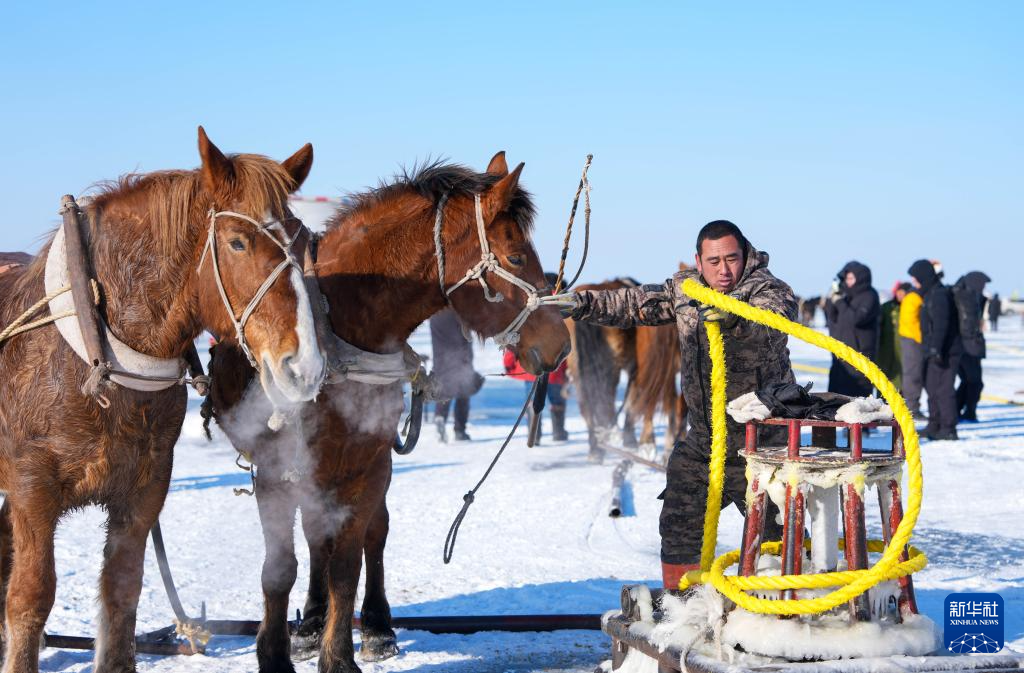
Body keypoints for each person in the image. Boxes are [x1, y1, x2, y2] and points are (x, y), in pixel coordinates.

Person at [565, 220, 795, 590]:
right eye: (714, 261)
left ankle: (779, 604)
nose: (723, 270)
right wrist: (579, 304)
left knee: (776, 537)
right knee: (678, 522)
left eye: (731, 259)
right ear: (699, 261)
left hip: (762, 446)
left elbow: (773, 318)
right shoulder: (686, 290)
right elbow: (632, 303)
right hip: (704, 442)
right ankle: (682, 602)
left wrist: (734, 317)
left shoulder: (767, 289)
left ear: (746, 255)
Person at [908, 259, 962, 441]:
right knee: (932, 388)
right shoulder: (930, 294)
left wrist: (935, 349)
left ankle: (948, 428)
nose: (914, 282)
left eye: (915, 278)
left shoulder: (939, 295)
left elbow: (941, 325)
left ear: (923, 276)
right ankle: (934, 424)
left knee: (944, 390)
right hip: (933, 351)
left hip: (946, 352)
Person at [823, 261, 880, 398]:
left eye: (851, 278)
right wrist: (832, 298)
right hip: (840, 357)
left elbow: (855, 319)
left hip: (858, 359)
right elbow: (832, 317)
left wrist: (839, 302)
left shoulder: (869, 296)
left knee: (857, 401)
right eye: (846, 279)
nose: (847, 282)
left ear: (860, 278)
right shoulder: (846, 296)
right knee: (835, 398)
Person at [429, 307, 484, 442]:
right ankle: (460, 430)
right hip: (461, 359)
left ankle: (440, 416)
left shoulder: (434, 313)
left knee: (444, 389)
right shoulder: (460, 311)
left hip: (440, 359)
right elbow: (466, 337)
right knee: (464, 392)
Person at [503, 349, 569, 443]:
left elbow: (513, 345)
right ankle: (559, 433)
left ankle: (533, 436)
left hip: (532, 370)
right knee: (557, 402)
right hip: (555, 370)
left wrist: (508, 364)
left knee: (533, 403)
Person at [953, 271, 991, 422]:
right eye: (983, 285)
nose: (984, 288)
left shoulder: (971, 296)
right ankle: (967, 411)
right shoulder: (965, 298)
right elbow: (968, 326)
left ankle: (960, 409)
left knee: (969, 381)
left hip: (969, 346)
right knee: (974, 382)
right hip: (967, 347)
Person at [898, 284, 926, 420]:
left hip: (911, 339)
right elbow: (911, 322)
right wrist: (922, 338)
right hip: (913, 339)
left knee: (912, 374)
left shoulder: (912, 297)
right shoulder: (914, 298)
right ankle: (912, 408)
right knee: (913, 374)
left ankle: (912, 407)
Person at [878, 282, 910, 390]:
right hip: (885, 350)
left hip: (902, 351)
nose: (900, 295)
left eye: (903, 293)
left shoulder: (909, 308)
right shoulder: (886, 307)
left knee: (899, 380)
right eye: (899, 292)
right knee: (883, 379)